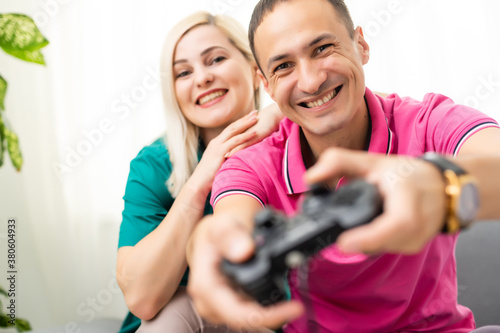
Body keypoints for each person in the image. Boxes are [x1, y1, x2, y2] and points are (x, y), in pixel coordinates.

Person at [186, 0, 500, 332]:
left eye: (322, 48)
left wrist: (442, 184)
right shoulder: (251, 165)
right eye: (283, 67)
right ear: (267, 85)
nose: (309, 82)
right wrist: (215, 245)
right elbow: (231, 223)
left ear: (361, 45)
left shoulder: (428, 122)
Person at [116, 11, 282, 333]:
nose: (202, 78)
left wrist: (280, 112)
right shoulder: (154, 165)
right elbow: (141, 298)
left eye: (216, 59)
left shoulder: (293, 138)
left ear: (254, 69)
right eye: (183, 73)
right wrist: (199, 181)